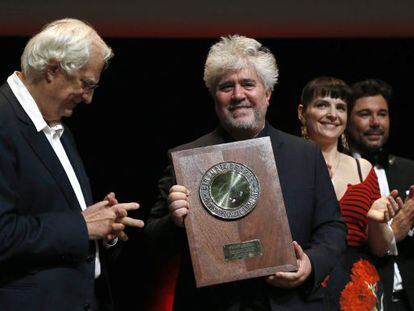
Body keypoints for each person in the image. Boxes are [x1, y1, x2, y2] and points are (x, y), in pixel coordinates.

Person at [145, 35, 347, 311]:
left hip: (292, 303)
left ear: (267, 93)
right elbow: (153, 242)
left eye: (248, 84)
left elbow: (332, 227)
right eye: (227, 86)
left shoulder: (305, 155)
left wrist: (310, 264)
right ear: (214, 96)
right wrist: (175, 220)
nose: (238, 95)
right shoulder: (186, 160)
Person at [0, 18, 144, 311]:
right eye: (86, 84)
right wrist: (82, 225)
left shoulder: (57, 127)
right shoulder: (3, 121)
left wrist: (104, 226)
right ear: (53, 69)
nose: (89, 99)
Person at [297, 76, 403, 311]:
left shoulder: (362, 169)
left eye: (341, 107)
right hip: (305, 282)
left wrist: (376, 222)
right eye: (322, 104)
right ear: (303, 112)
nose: (333, 114)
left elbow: (378, 248)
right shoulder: (286, 163)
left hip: (357, 290)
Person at [347, 79, 414, 311]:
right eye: (365, 114)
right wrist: (392, 234)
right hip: (364, 298)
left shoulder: (410, 169)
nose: (375, 122)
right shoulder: (336, 172)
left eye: (382, 114)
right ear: (346, 119)